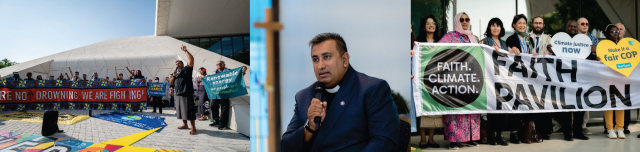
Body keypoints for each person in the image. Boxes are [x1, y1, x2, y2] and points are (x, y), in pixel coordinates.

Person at [281, 33, 400, 152]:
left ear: (345, 60)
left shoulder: (371, 89)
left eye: (326, 57)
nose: (320, 66)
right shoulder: (304, 97)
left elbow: (384, 141)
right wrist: (309, 129)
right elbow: (285, 146)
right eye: (315, 59)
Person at [437, 12, 481, 149]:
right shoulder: (450, 36)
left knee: (471, 108)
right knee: (455, 108)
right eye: (461, 19)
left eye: (467, 19)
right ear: (456, 21)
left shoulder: (473, 37)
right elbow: (436, 49)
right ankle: (454, 140)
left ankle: (470, 138)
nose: (464, 22)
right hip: (455, 78)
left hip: (470, 79)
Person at [480, 17, 511, 146]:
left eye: (498, 26)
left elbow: (510, 57)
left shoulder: (504, 43)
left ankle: (500, 134)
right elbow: (477, 48)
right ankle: (491, 134)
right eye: (493, 25)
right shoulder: (486, 40)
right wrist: (487, 48)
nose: (495, 28)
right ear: (489, 28)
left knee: (503, 107)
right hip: (490, 78)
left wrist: (513, 51)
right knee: (493, 107)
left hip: (503, 79)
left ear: (501, 28)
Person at [414, 15, 442, 149]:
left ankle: (431, 139)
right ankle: (423, 139)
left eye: (433, 23)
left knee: (434, 109)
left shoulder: (440, 42)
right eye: (428, 23)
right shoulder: (417, 42)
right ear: (424, 27)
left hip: (436, 79)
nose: (431, 25)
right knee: (423, 108)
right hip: (422, 78)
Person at [601, 24, 626, 139]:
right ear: (607, 34)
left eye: (617, 32)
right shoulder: (602, 46)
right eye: (613, 32)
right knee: (609, 104)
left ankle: (620, 128)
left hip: (621, 79)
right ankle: (610, 129)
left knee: (620, 103)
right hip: (607, 80)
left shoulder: (623, 46)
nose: (616, 34)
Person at [208, 61, 248, 129]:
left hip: (225, 92)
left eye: (220, 64)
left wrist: (243, 72)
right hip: (216, 93)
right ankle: (216, 120)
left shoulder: (229, 71)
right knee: (213, 106)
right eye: (217, 64)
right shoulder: (214, 72)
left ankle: (222, 123)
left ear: (224, 65)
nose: (219, 65)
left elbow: (236, 76)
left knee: (224, 108)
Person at [170, 44, 197, 135]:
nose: (177, 65)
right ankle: (184, 124)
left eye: (179, 63)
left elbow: (191, 59)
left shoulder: (187, 69)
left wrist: (185, 51)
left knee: (189, 110)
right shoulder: (176, 73)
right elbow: (171, 82)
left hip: (187, 92)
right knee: (181, 110)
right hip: (179, 93)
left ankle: (193, 127)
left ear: (183, 64)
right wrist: (173, 76)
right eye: (176, 64)